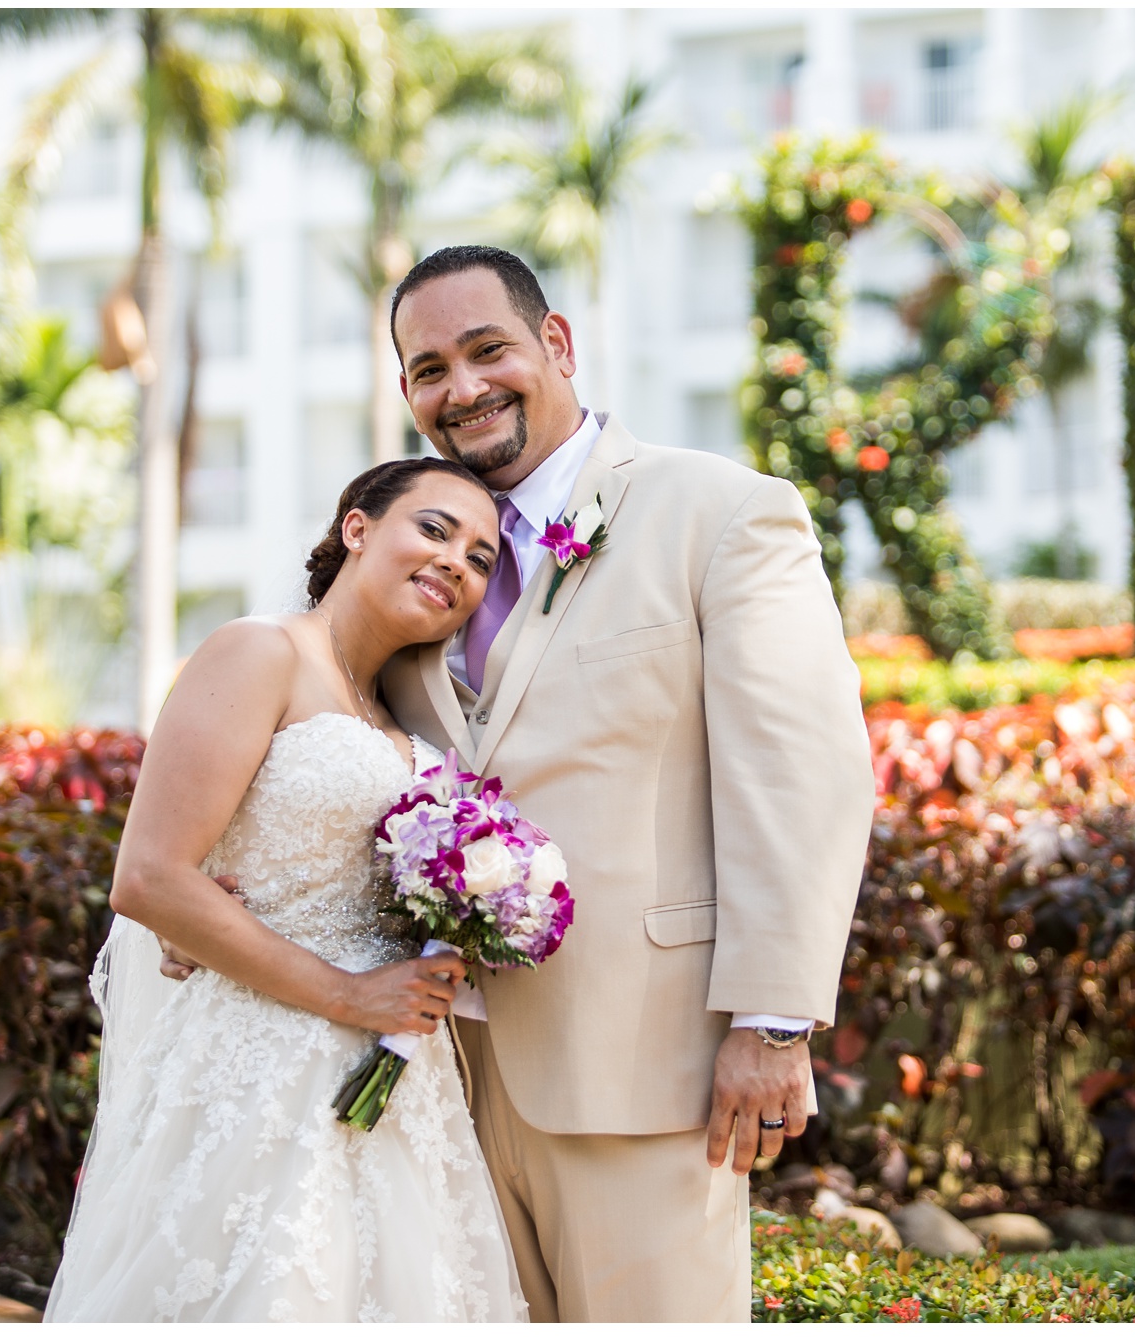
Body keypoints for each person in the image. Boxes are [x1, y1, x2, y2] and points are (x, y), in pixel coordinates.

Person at [376, 246, 874, 1322]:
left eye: (485, 350)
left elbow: (801, 773)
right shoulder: (422, 555)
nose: (460, 389)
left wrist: (773, 1021)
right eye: (426, 369)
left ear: (554, 343)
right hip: (444, 1071)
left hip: (648, 1066)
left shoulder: (721, 513)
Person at [44, 458, 529, 1322]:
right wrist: (348, 993)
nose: (459, 561)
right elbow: (149, 875)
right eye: (434, 529)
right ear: (357, 528)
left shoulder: (409, 719)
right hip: (259, 1063)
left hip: (398, 1088)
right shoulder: (258, 650)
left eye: (483, 557)